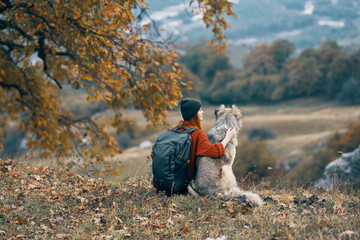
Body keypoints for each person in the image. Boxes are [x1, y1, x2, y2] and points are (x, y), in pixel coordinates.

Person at [177, 98, 237, 182]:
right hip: (185, 181)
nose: (203, 112)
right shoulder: (197, 134)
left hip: (173, 179)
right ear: (194, 114)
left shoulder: (177, 129)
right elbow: (214, 151)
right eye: (200, 110)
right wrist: (228, 137)